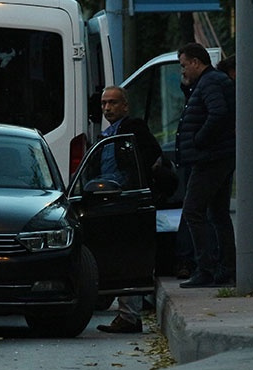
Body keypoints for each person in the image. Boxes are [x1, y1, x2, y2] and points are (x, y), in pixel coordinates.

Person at [96, 86, 162, 334]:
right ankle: (128, 313)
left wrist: (133, 178)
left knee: (127, 256)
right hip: (110, 200)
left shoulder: (133, 127)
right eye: (104, 104)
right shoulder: (108, 133)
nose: (107, 108)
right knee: (118, 255)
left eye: (112, 103)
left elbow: (151, 152)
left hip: (127, 200)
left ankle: (129, 316)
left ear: (125, 105)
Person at [176, 43, 236, 288]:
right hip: (219, 156)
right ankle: (227, 268)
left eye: (183, 66)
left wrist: (200, 140)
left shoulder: (210, 82)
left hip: (210, 158)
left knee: (193, 210)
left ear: (195, 62)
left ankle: (206, 268)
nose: (183, 71)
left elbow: (217, 113)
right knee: (218, 214)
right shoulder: (211, 82)